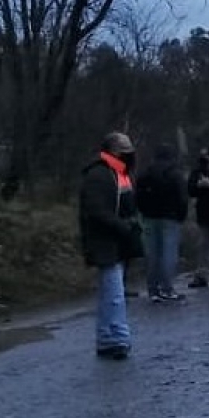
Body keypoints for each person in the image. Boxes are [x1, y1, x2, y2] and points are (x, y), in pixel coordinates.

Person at [78, 132, 143, 359]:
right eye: (125, 150)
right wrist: (122, 226)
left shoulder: (116, 173)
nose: (130, 155)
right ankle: (116, 337)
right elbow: (97, 210)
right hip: (106, 240)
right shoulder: (101, 175)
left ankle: (109, 337)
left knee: (111, 291)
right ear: (114, 151)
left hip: (116, 240)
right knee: (114, 292)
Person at [135, 143, 188, 302]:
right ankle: (168, 288)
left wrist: (144, 211)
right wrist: (181, 215)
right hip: (170, 218)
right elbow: (182, 197)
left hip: (150, 217)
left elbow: (137, 196)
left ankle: (153, 289)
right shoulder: (175, 174)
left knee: (152, 254)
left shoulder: (145, 174)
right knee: (168, 254)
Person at [188, 148, 209, 288]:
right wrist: (198, 186)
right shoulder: (197, 173)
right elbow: (190, 190)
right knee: (204, 247)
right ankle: (201, 275)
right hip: (205, 214)